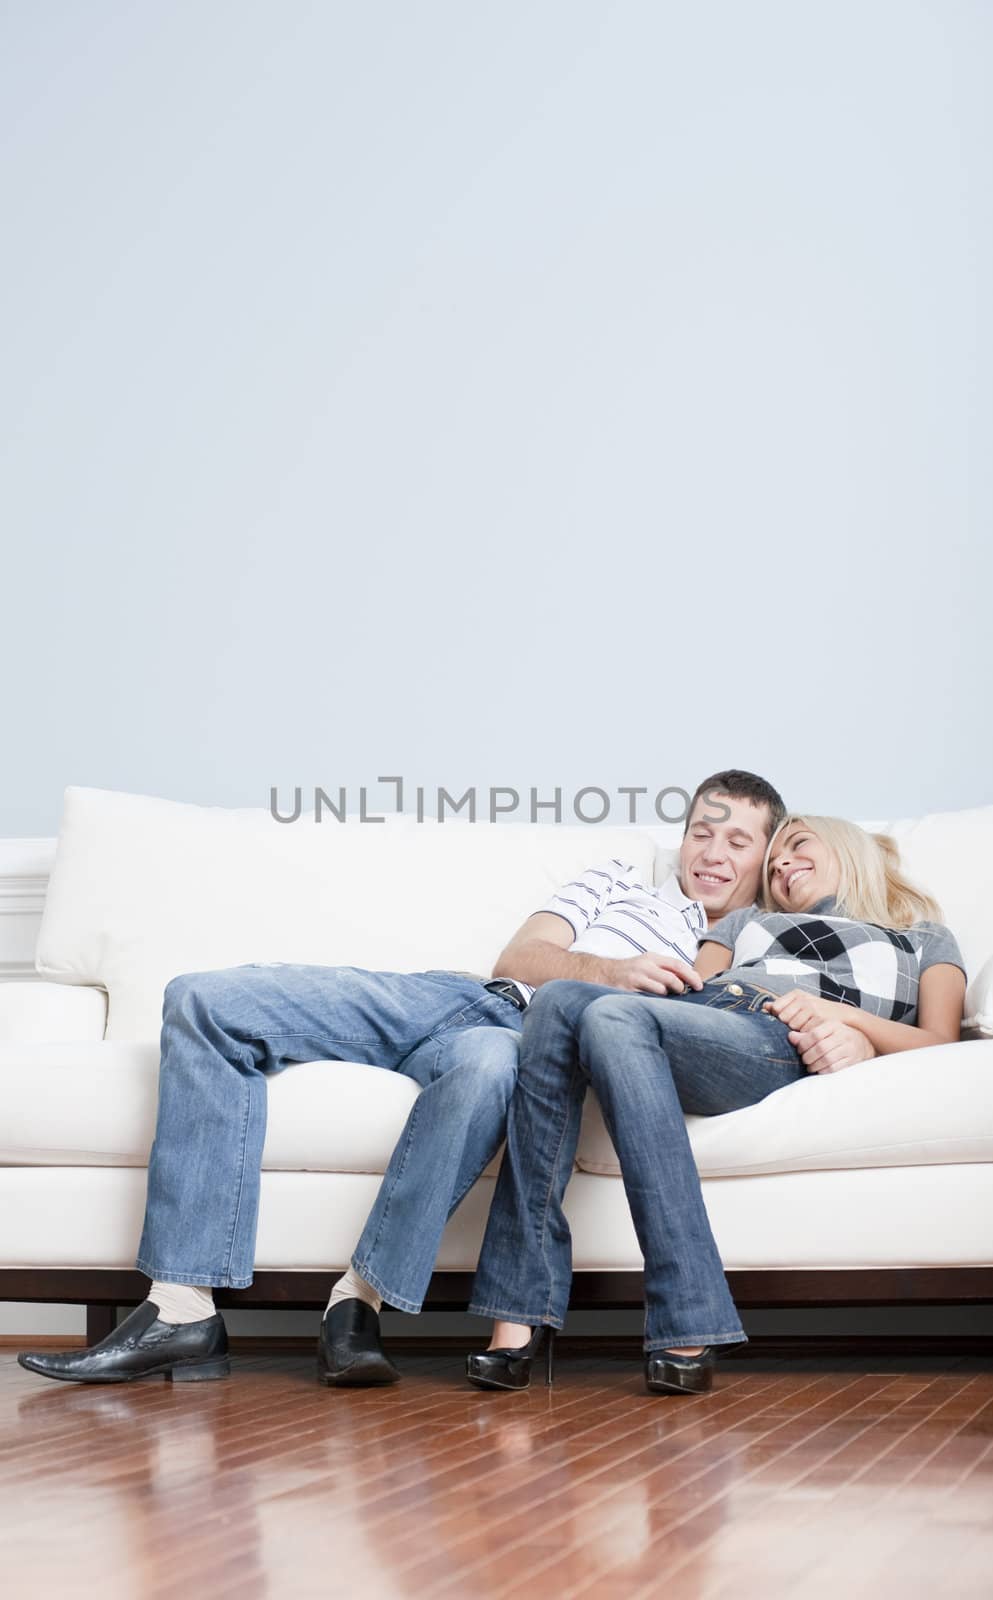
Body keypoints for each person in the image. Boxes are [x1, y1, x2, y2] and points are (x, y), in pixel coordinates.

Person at [17, 770, 785, 1388]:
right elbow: (520, 961)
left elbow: (688, 1028)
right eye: (700, 831)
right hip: (456, 996)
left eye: (737, 840)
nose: (712, 851)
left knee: (487, 1071)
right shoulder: (619, 879)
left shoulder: (746, 940)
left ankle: (358, 1303)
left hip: (520, 1050)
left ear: (764, 857)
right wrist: (612, 968)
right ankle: (181, 1306)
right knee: (202, 1000)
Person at [465, 815, 967, 1397]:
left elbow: (939, 1042)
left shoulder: (924, 937)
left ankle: (687, 1315)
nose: (781, 866)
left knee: (610, 1015)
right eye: (774, 861)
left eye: (798, 846)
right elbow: (688, 990)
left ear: (849, 850)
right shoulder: (747, 921)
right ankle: (517, 1312)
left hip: (772, 1035)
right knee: (559, 1000)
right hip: (706, 1015)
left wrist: (847, 1021)